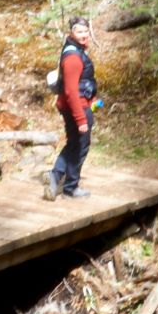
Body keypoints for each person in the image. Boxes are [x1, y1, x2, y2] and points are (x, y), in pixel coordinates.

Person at [46, 17, 98, 200]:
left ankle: (56, 175)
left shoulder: (75, 51)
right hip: (77, 108)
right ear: (72, 33)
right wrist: (81, 119)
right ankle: (71, 187)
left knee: (73, 144)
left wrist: (94, 100)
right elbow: (71, 91)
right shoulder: (73, 58)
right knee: (80, 147)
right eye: (80, 32)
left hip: (78, 106)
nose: (84, 35)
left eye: (85, 32)